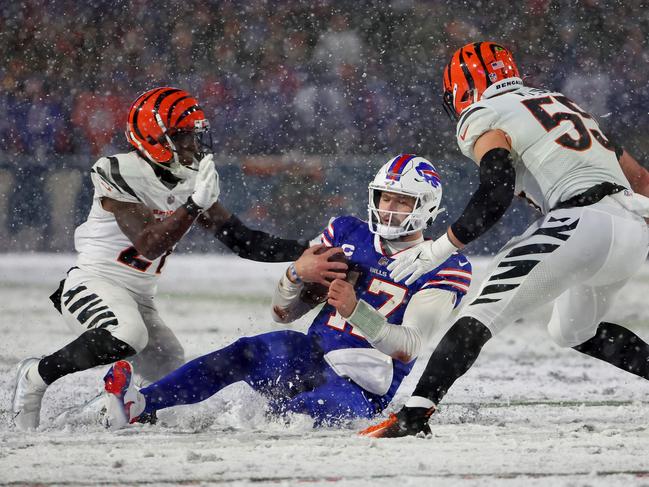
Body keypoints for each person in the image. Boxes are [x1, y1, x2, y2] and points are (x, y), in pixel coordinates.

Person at [360, 42, 649, 438]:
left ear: (462, 89)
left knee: (480, 313)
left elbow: (496, 188)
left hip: (580, 221)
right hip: (633, 228)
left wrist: (439, 248)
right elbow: (642, 180)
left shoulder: (485, 113)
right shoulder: (562, 101)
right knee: (572, 331)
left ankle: (412, 414)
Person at [12, 86, 338, 431]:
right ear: (153, 137)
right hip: (94, 282)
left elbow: (244, 241)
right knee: (127, 333)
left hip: (139, 297)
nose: (193, 147)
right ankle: (36, 374)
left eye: (196, 137)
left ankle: (90, 414)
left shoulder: (188, 179)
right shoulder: (116, 169)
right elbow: (148, 243)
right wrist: (194, 204)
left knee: (169, 382)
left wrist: (310, 245)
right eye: (182, 137)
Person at [101, 154, 472, 428]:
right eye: (385, 197)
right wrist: (294, 274)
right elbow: (282, 312)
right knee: (243, 352)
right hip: (309, 355)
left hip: (362, 385)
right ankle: (139, 405)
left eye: (402, 200)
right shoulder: (346, 232)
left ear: (427, 207)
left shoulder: (447, 265)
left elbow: (409, 346)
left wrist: (356, 311)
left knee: (292, 420)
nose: (389, 209)